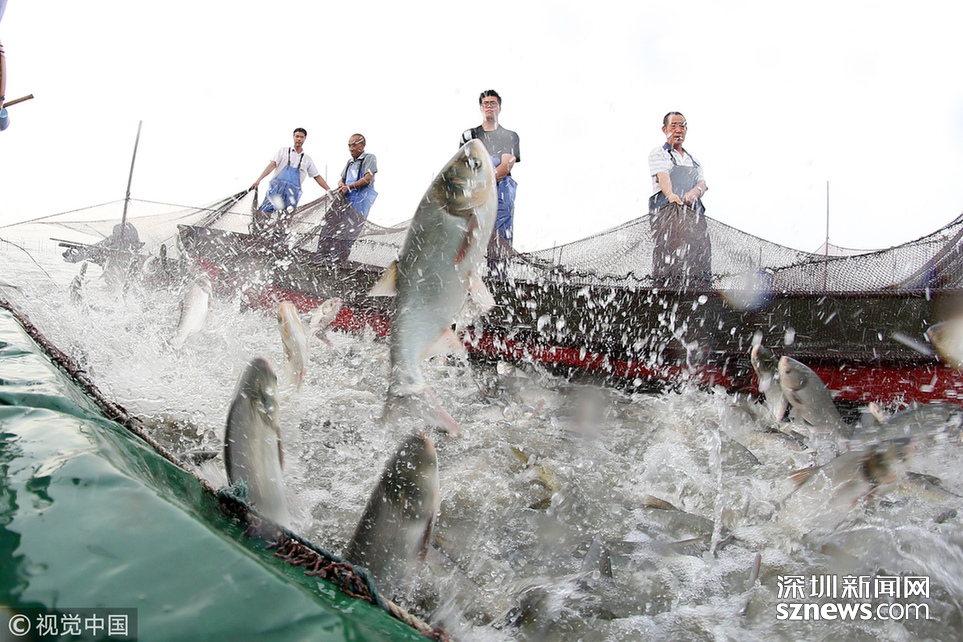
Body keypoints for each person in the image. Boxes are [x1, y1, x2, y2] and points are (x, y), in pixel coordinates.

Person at [647, 111, 711, 287]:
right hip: (667, 212)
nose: (678, 130)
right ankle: (665, 287)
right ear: (665, 129)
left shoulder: (693, 161)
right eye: (673, 125)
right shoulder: (659, 154)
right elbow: (663, 176)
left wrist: (694, 193)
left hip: (693, 215)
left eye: (682, 125)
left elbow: (702, 183)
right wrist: (671, 195)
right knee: (668, 253)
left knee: (698, 252)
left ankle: (699, 286)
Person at [460, 90, 520, 248]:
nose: (489, 106)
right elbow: (463, 166)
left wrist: (486, 182)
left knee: (500, 237)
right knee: (469, 235)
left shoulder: (509, 136)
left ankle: (498, 260)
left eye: (493, 103)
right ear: (481, 107)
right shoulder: (470, 136)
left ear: (499, 107)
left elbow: (506, 165)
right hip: (473, 188)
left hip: (500, 189)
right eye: (485, 103)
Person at [251, 128, 331, 234]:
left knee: (285, 218)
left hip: (292, 193)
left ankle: (278, 238)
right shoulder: (283, 151)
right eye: (297, 136)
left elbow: (316, 176)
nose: (299, 139)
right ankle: (257, 234)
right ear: (293, 137)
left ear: (305, 139)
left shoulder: (307, 159)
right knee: (265, 212)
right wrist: (258, 180)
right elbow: (272, 165)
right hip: (276, 189)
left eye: (301, 137)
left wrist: (328, 190)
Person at [317, 134, 378, 263]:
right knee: (329, 226)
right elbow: (342, 179)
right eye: (349, 145)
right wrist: (341, 185)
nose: (351, 148)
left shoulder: (369, 158)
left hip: (359, 204)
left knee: (347, 233)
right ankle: (322, 257)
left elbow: (368, 178)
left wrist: (349, 187)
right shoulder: (350, 162)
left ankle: (338, 262)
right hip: (345, 201)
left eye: (354, 145)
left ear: (363, 145)